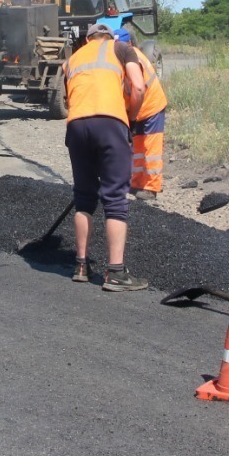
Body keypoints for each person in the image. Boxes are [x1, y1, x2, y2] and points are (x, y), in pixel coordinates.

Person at [65, 22, 147, 291]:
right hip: (111, 123)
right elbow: (138, 87)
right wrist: (131, 117)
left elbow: (70, 98)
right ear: (109, 37)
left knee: (84, 197)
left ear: (88, 40)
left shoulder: (73, 59)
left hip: (76, 126)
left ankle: (80, 266)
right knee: (115, 198)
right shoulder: (122, 48)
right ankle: (115, 273)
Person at [116, 29, 167, 203]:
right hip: (137, 109)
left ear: (129, 44)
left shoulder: (133, 59)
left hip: (151, 107)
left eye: (120, 45)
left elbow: (137, 89)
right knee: (137, 147)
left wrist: (130, 117)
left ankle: (151, 187)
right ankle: (137, 183)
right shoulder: (123, 58)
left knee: (151, 149)